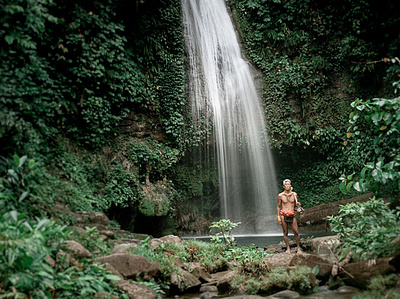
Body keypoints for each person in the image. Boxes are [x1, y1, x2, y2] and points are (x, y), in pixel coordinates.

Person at [277, 179, 302, 254]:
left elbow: (295, 206)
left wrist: (298, 206)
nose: (288, 186)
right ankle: (288, 248)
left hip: (292, 214)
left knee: (296, 231)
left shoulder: (294, 194)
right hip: (283, 214)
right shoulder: (280, 195)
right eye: (286, 184)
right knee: (285, 232)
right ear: (283, 186)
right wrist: (278, 217)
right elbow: (278, 206)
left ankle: (298, 248)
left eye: (289, 184)